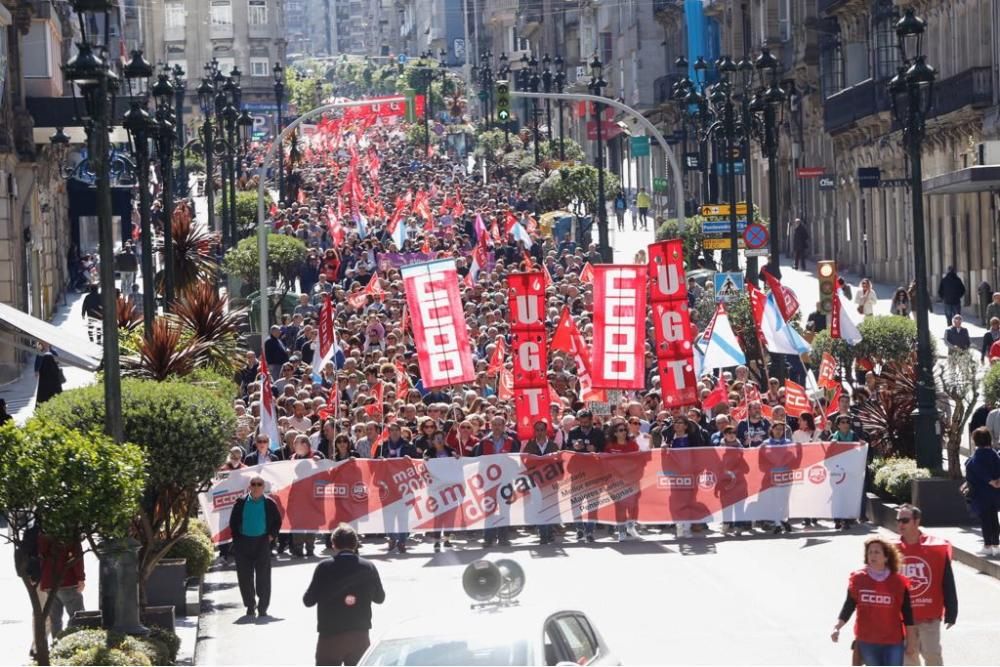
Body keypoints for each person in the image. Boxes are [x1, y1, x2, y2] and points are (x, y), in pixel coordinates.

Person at [303, 524, 385, 666]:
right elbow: (380, 598)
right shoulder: (368, 566)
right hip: (359, 635)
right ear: (355, 544)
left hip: (330, 636)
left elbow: (308, 600)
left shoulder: (324, 567)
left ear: (333, 544)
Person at [831, 537, 915, 666]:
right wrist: (837, 627)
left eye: (877, 552)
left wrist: (911, 640)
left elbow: (908, 614)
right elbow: (848, 606)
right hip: (867, 641)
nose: (872, 555)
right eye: (870, 552)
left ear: (886, 557)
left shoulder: (898, 582)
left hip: (893, 641)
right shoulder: (858, 579)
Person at [894, 504, 958, 666]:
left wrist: (952, 611)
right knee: (908, 659)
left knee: (932, 656)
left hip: (929, 617)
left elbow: (947, 581)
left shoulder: (936, 548)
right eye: (898, 520)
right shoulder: (890, 550)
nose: (900, 524)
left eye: (905, 520)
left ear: (916, 521)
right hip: (902, 619)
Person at [229, 475, 282, 618]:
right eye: (254, 484)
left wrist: (271, 536)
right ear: (249, 486)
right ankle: (250, 605)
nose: (257, 487)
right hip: (243, 543)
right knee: (244, 577)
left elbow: (277, 521)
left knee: (263, 576)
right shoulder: (240, 502)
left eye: (260, 484)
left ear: (263, 487)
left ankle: (263, 607)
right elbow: (233, 522)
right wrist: (237, 538)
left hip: (262, 542)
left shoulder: (270, 503)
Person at [37, 533, 86, 638]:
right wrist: (80, 578)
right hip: (67, 580)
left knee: (55, 620)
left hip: (49, 582)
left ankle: (57, 645)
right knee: (77, 616)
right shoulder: (69, 530)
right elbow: (76, 556)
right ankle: (75, 644)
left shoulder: (43, 532)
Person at [964, 427, 1000, 557]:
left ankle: (987, 545)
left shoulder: (977, 456)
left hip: (981, 493)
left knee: (985, 519)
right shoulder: (994, 454)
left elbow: (975, 470)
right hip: (995, 493)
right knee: (994, 518)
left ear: (976, 441)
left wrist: (990, 481)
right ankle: (996, 545)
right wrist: (996, 481)